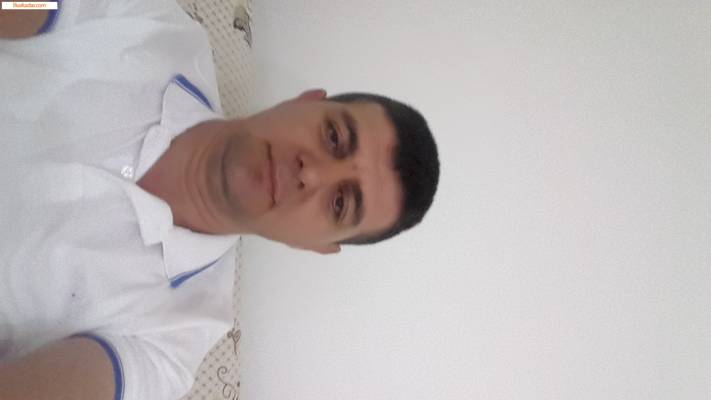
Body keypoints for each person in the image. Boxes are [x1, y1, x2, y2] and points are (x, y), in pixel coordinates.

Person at [0, 1, 439, 399]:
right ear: (305, 101)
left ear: (314, 246)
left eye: (340, 204)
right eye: (333, 136)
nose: (311, 173)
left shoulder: (173, 342)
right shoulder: (149, 22)